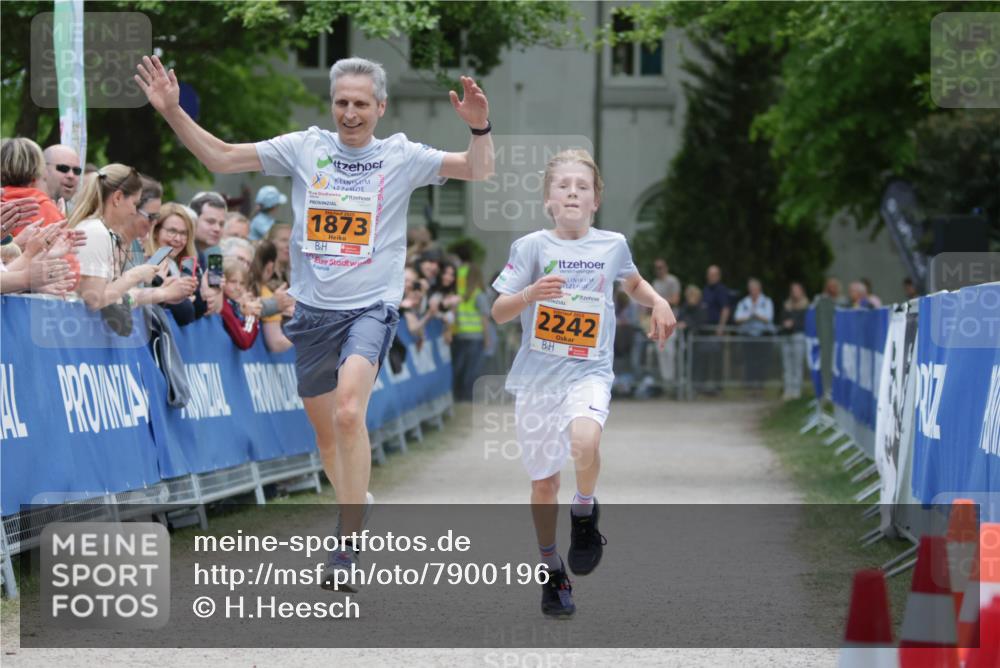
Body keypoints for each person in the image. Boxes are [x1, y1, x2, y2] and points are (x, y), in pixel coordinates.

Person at [137, 52, 494, 588]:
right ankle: (356, 503)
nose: (350, 113)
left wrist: (479, 129)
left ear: (381, 106)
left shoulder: (401, 155)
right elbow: (222, 155)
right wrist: (170, 110)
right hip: (311, 312)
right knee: (328, 437)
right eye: (341, 102)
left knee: (351, 411)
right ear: (333, 104)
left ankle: (348, 542)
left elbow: (477, 168)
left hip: (371, 307)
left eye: (360, 104)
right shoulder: (306, 147)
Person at [490, 149, 675, 617]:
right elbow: (498, 311)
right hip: (537, 379)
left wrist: (659, 303)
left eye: (583, 187)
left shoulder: (612, 245)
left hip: (589, 370)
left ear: (595, 201)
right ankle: (552, 572)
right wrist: (530, 294)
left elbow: (632, 284)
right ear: (548, 199)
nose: (573, 192)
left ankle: (585, 510)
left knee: (585, 440)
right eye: (563, 186)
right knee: (544, 484)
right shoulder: (531, 247)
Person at [68, 164, 194, 313]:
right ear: (118, 198)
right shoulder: (96, 231)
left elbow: (119, 299)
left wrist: (162, 293)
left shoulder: (102, 232)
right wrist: (136, 275)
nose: (134, 210)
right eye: (134, 203)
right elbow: (95, 300)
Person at [451, 263, 491, 401]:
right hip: (476, 337)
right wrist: (487, 338)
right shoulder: (478, 295)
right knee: (472, 369)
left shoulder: (459, 296)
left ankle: (458, 395)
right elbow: (484, 318)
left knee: (460, 367)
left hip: (460, 335)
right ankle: (468, 397)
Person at [249, 240, 294, 353]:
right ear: (270, 267)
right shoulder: (266, 294)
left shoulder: (235, 286)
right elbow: (277, 344)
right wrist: (303, 328)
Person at [733, 277, 774, 390]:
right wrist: (749, 316)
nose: (753, 291)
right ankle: (750, 387)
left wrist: (756, 315)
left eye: (755, 289)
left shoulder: (766, 301)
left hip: (763, 336)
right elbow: (737, 318)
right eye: (751, 289)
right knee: (749, 362)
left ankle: (760, 387)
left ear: (759, 289)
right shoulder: (744, 302)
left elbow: (768, 318)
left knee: (762, 362)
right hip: (748, 336)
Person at [650, 258, 681, 386]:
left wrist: (660, 302)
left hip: (670, 321)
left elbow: (676, 300)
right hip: (659, 322)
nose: (659, 270)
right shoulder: (655, 283)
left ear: (666, 268)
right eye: (657, 268)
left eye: (661, 267)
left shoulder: (672, 281)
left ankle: (674, 382)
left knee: (671, 353)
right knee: (660, 353)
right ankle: (666, 384)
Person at [700, 264, 730, 394]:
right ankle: (704, 386)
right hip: (705, 331)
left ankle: (718, 387)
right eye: (709, 274)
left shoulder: (721, 290)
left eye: (713, 274)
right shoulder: (705, 289)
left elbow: (725, 308)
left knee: (716, 359)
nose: (710, 277)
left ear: (718, 276)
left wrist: (721, 327)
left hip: (715, 330)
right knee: (705, 359)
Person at [219, 256, 260, 350]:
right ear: (222, 279)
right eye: (233, 281)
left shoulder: (233, 304)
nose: (238, 287)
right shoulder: (223, 305)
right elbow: (244, 341)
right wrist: (251, 315)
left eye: (242, 283)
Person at [779, 281, 810, 400]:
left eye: (797, 290)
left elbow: (806, 323)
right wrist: (785, 324)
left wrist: (794, 324)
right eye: (793, 290)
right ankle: (788, 390)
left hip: (798, 336)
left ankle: (796, 391)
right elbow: (782, 319)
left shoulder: (806, 306)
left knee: (797, 365)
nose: (794, 292)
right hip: (786, 336)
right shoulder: (787, 305)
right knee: (787, 366)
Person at [42, 144, 82, 211]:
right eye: (63, 168)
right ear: (43, 169)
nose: (71, 175)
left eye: (76, 170)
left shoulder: (75, 214)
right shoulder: (26, 210)